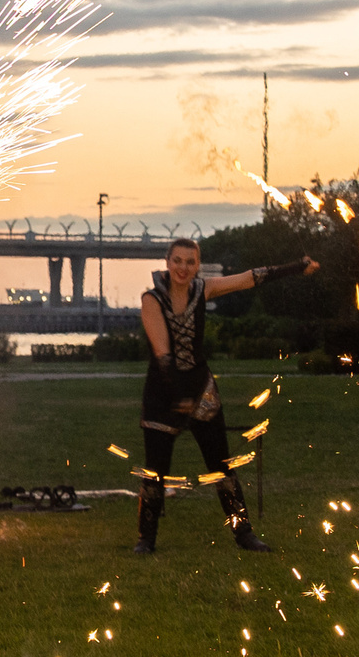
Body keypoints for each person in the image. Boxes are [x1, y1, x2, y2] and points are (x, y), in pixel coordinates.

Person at [133, 237, 317, 555]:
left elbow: (249, 278)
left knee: (221, 465)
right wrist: (179, 396)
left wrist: (296, 267)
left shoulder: (203, 289)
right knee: (155, 470)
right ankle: (146, 539)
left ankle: (244, 534)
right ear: (167, 262)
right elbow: (163, 354)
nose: (183, 268)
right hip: (163, 391)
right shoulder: (152, 299)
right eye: (178, 261)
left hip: (200, 389)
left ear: (197, 265)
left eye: (190, 262)